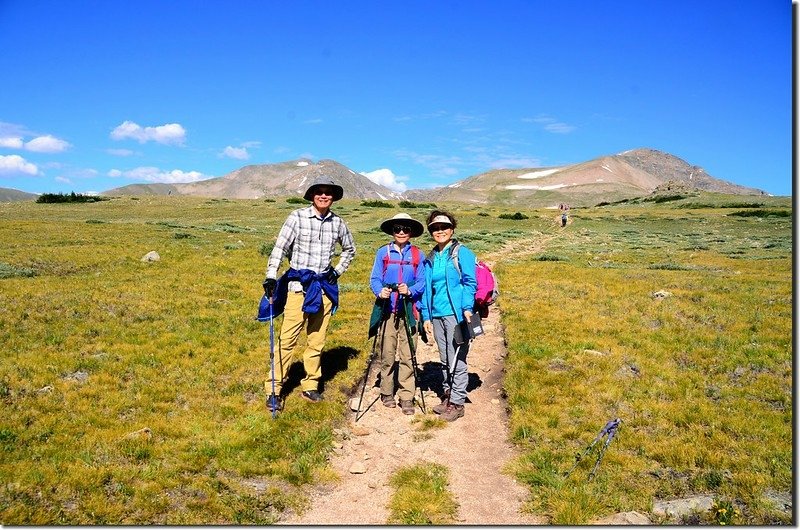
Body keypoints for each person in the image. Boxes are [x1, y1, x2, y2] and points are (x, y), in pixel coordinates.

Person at [261, 176, 356, 412]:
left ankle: (310, 385)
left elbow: (350, 250)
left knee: (317, 340)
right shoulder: (297, 217)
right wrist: (271, 276)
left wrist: (337, 271)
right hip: (297, 288)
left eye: (328, 192)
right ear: (312, 195)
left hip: (323, 288)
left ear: (333, 197)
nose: (324, 196)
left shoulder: (338, 223)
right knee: (287, 339)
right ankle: (274, 389)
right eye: (319, 192)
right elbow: (280, 248)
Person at [420, 210, 478, 422]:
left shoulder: (462, 252)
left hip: (456, 313)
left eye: (444, 227)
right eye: (435, 228)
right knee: (445, 357)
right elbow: (427, 289)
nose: (440, 231)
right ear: (430, 231)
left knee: (457, 357)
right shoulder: (431, 257)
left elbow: (470, 282)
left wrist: (467, 307)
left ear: (452, 229)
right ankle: (448, 395)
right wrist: (426, 315)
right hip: (436, 314)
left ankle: (458, 402)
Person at [368, 213, 426, 415]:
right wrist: (380, 291)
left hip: (410, 310)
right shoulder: (382, 252)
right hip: (387, 310)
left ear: (411, 232)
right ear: (392, 231)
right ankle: (386, 391)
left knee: (408, 353)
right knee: (387, 352)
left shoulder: (419, 254)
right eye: (397, 229)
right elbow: (375, 278)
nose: (401, 232)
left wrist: (410, 291)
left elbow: (422, 282)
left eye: (405, 229)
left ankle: (407, 396)